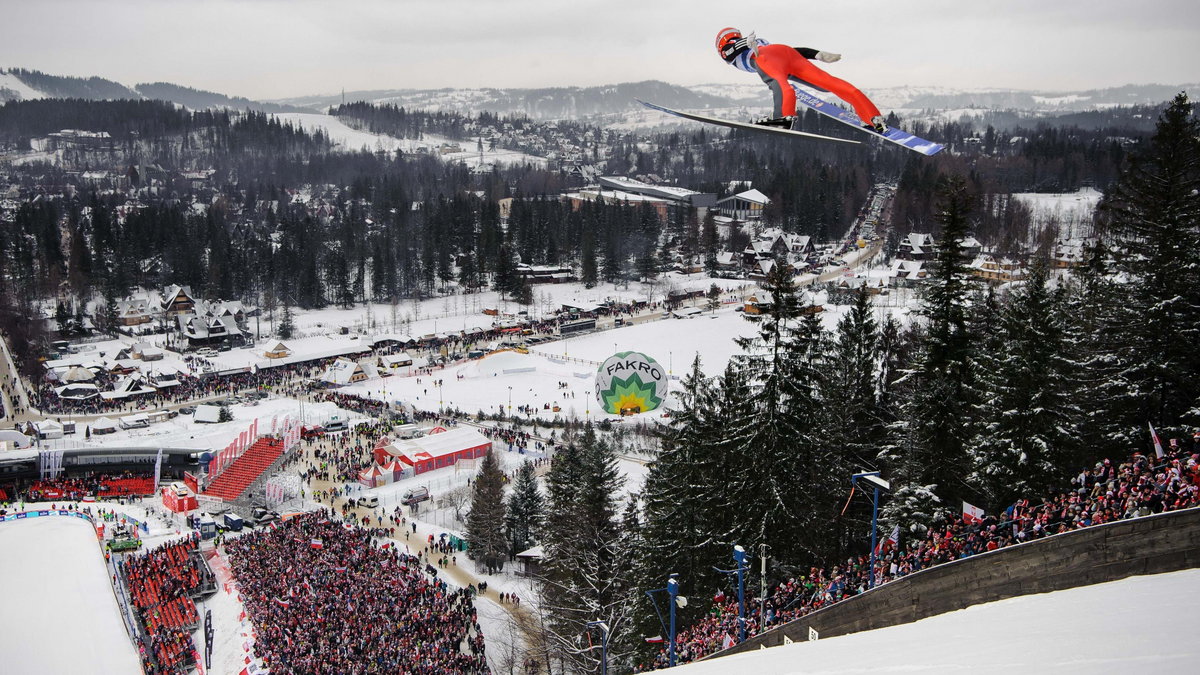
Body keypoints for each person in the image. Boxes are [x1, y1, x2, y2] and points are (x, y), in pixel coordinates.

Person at [715, 27, 886, 133]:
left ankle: (783, 118)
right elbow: (789, 51)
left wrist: (745, 42)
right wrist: (815, 54)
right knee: (828, 82)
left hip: (766, 58)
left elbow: (727, 51)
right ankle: (872, 117)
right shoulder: (752, 44)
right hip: (787, 53)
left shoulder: (731, 50)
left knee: (781, 85)